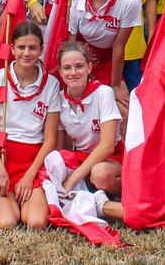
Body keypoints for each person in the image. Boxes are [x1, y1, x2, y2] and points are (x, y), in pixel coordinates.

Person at [0, 20, 61, 230]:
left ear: (41, 50)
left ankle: (25, 197)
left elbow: (50, 140)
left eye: (32, 48)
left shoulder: (51, 84)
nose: (26, 53)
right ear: (12, 48)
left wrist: (29, 177)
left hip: (32, 162)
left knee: (36, 222)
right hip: (3, 157)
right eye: (21, 47)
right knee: (7, 223)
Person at [50, 40, 124, 220]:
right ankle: (97, 202)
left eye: (79, 66)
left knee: (100, 174)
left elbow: (107, 146)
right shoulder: (59, 99)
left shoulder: (103, 93)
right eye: (67, 68)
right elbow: (62, 148)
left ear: (89, 67)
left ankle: (124, 194)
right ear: (60, 72)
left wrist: (72, 179)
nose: (73, 72)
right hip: (81, 158)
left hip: (111, 158)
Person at [61, 0, 143, 106]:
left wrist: (115, 85)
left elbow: (119, 46)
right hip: (80, 56)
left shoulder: (129, 0)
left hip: (109, 59)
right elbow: (72, 44)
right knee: (76, 103)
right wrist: (74, 77)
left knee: (124, 111)